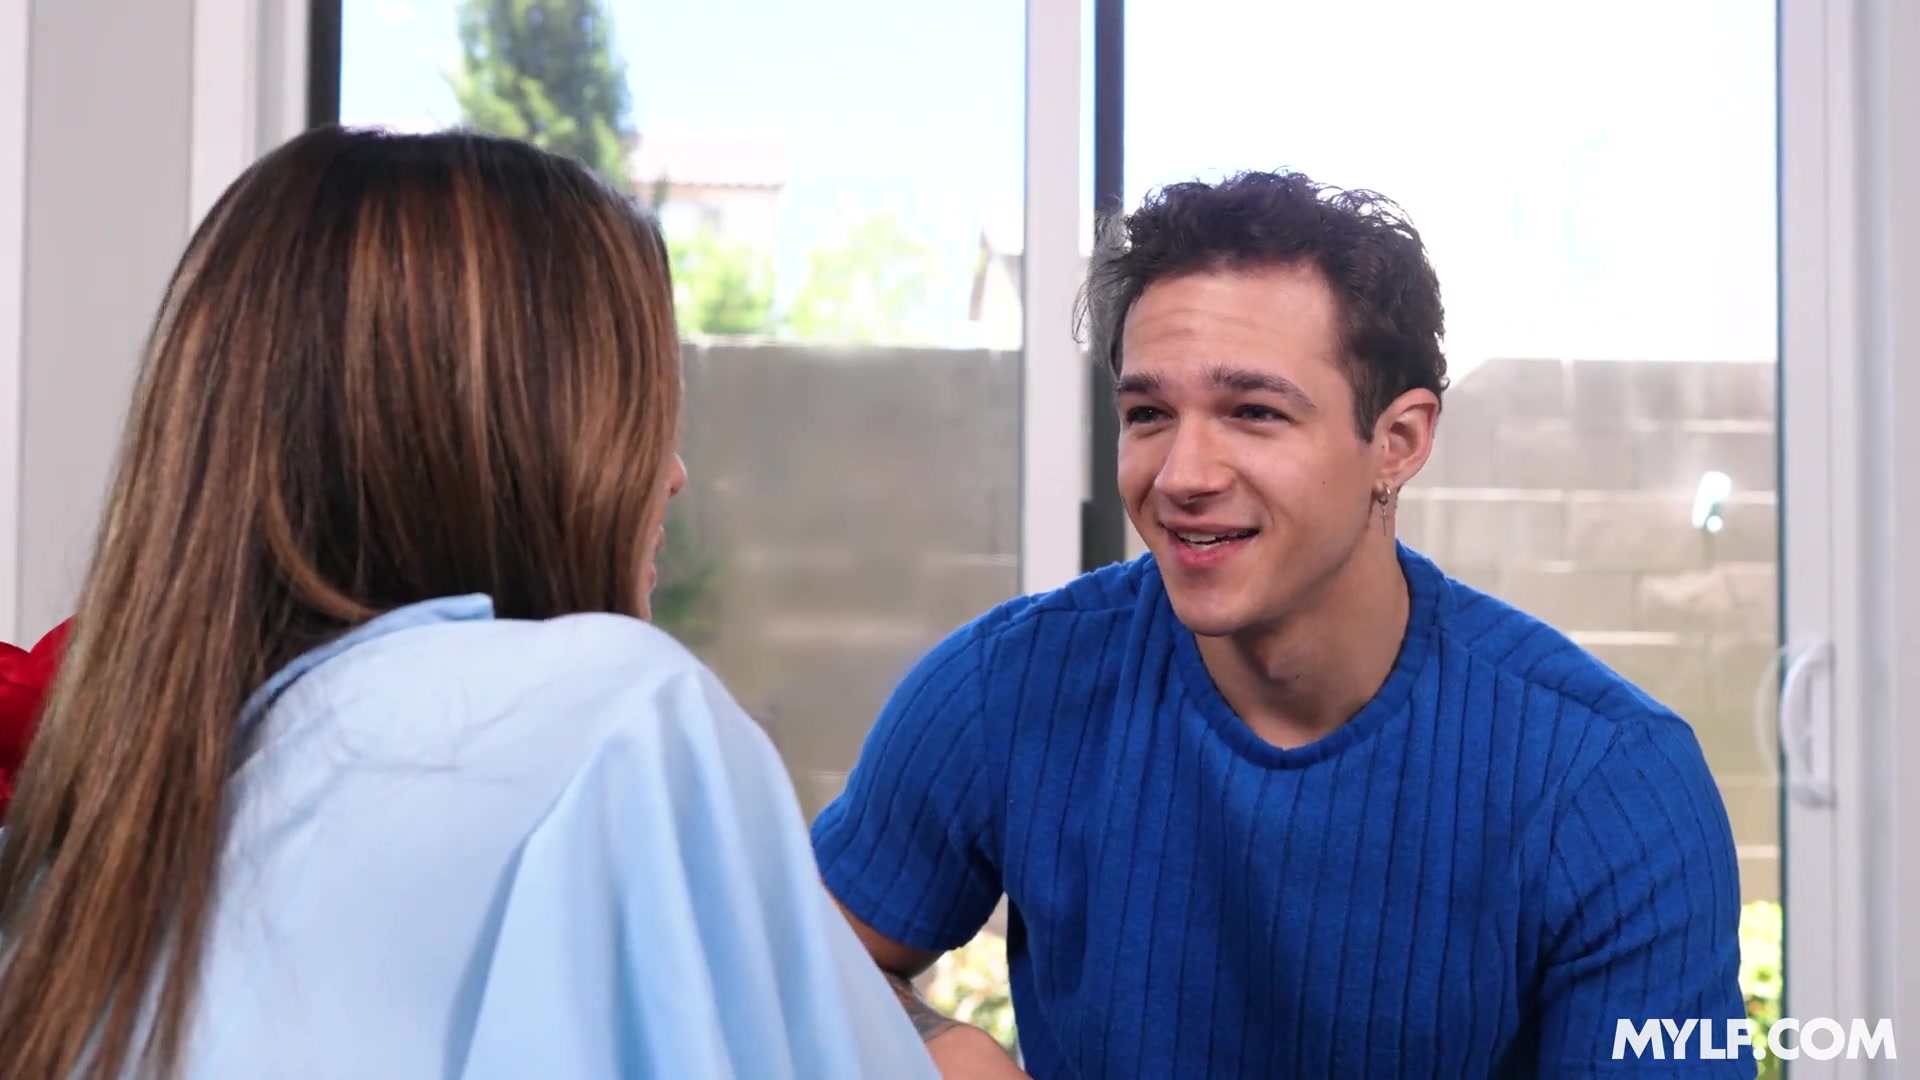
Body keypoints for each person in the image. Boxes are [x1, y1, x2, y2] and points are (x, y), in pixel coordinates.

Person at [0, 126, 937, 1080]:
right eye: (641, 420)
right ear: (513, 439)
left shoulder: (111, 833)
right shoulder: (616, 721)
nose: (673, 476)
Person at [812, 171, 1752, 1077]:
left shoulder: (1612, 782)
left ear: (1398, 441)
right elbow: (808, 955)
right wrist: (939, 1048)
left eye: (1254, 412)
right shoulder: (1004, 688)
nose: (1181, 475)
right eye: (1149, 412)